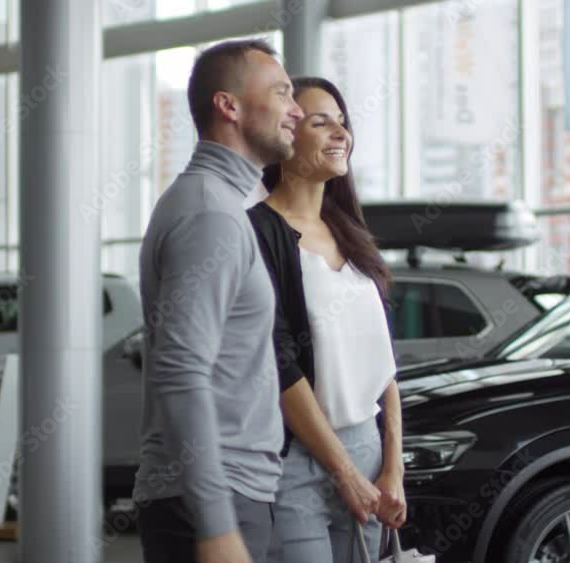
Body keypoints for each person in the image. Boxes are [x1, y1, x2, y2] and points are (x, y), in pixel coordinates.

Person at [133, 39, 303, 563]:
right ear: (228, 106)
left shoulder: (218, 203)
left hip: (228, 492)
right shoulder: (211, 213)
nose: (297, 111)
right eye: (282, 93)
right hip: (212, 499)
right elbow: (180, 369)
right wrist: (216, 524)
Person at [246, 77, 406, 563]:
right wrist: (343, 471)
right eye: (321, 123)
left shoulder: (350, 232)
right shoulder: (258, 232)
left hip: (368, 452)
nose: (341, 133)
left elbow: (383, 365)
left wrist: (394, 466)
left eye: (342, 122)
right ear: (286, 134)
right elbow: (279, 363)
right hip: (297, 460)